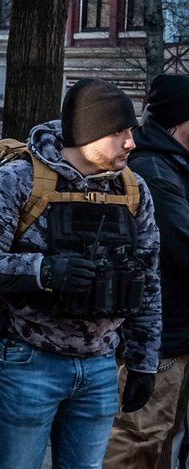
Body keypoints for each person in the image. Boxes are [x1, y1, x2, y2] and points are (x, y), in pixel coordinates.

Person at [0, 78, 162, 468]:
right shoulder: (18, 180)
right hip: (29, 361)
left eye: (131, 131)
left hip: (101, 366)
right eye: (120, 132)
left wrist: (143, 362)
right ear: (89, 132)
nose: (131, 142)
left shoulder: (135, 191)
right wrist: (43, 270)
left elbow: (148, 280)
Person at [104, 74, 189, 469]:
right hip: (161, 335)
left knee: (162, 435)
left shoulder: (172, 162)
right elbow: (182, 247)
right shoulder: (153, 169)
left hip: (176, 330)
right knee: (140, 436)